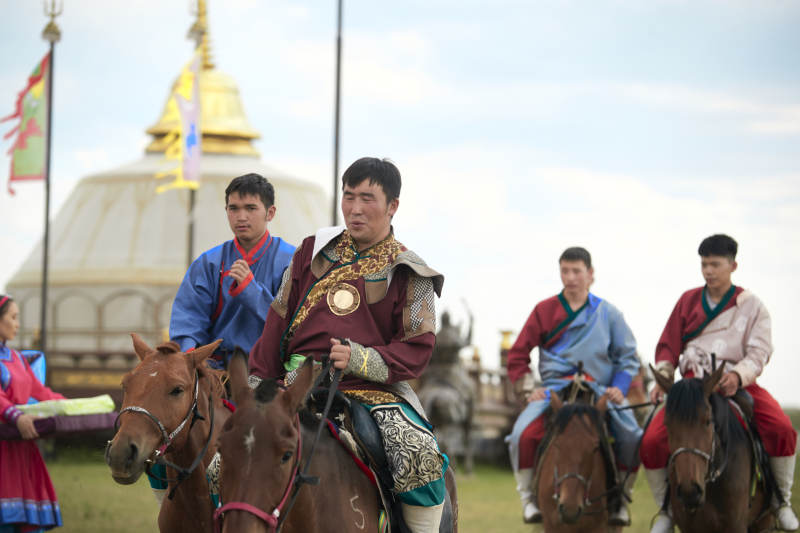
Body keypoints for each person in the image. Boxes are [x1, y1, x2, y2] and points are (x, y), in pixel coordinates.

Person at [249, 157, 447, 533]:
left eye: (367, 199)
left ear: (393, 206)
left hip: (374, 390)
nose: (355, 209)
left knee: (416, 451)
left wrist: (359, 358)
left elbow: (417, 349)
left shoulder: (411, 271)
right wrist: (261, 383)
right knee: (224, 459)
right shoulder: (311, 251)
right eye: (348, 196)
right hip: (296, 383)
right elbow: (277, 320)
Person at [641, 234, 798, 533]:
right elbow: (668, 345)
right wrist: (663, 377)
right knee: (650, 441)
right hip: (691, 386)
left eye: (715, 264)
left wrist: (738, 375)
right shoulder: (687, 301)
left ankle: (781, 502)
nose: (708, 271)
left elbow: (760, 351)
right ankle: (666, 509)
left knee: (782, 429)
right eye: (704, 264)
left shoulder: (753, 306)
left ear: (733, 265)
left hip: (736, 383)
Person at [505, 247, 642, 525]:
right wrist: (528, 388)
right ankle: (528, 500)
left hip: (601, 389)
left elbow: (627, 357)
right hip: (554, 390)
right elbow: (518, 353)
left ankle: (621, 501)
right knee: (522, 435)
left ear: (590, 274)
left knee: (632, 435)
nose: (570, 277)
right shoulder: (544, 310)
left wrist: (619, 386)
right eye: (565, 271)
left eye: (576, 271)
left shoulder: (609, 314)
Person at [169, 173, 295, 369]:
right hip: (215, 373)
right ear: (226, 210)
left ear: (270, 213)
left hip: (272, 374)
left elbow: (294, 325)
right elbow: (188, 319)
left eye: (251, 208)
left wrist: (251, 290)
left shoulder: (292, 261)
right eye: (234, 208)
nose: (241, 217)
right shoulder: (209, 263)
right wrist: (190, 358)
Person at [0, 295, 64, 532]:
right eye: (13, 317)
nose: (17, 324)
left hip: (23, 447)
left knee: (26, 523)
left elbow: (41, 392)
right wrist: (17, 417)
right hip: (3, 446)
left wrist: (75, 407)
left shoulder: (17, 359)